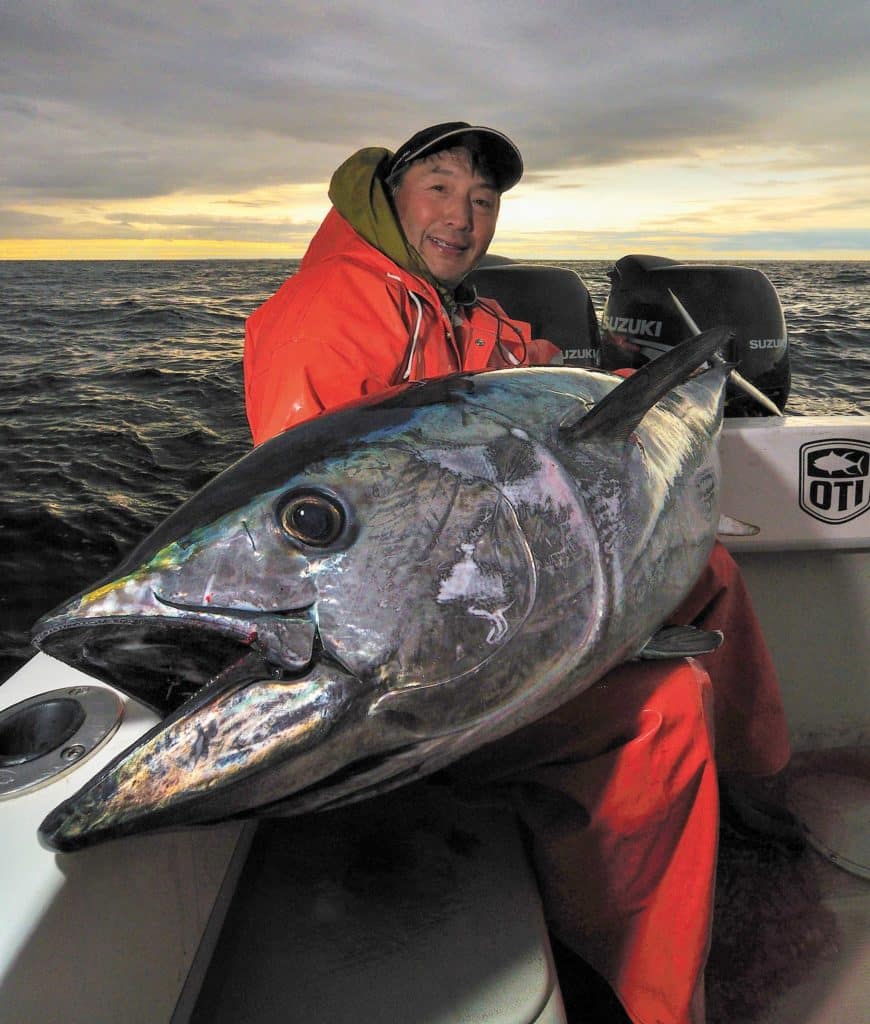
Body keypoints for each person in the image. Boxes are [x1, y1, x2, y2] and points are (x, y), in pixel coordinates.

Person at [244, 122, 792, 1024]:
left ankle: (752, 790)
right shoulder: (326, 314)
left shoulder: (465, 310)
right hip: (435, 661)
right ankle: (645, 1000)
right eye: (440, 189)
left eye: (483, 199)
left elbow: (538, 383)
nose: (463, 218)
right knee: (661, 710)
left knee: (711, 570)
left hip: (521, 587)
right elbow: (342, 553)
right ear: (390, 194)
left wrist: (635, 383)